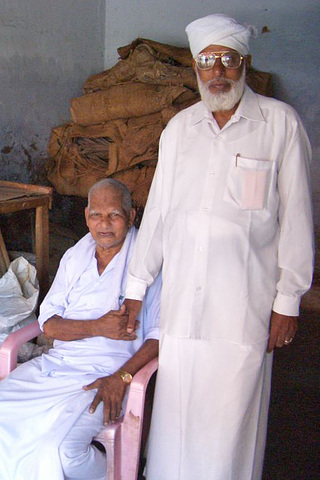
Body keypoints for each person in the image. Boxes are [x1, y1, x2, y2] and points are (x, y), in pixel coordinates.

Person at [123, 13, 314, 480]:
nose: (218, 71)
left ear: (245, 63)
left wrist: (288, 300)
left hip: (242, 306)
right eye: (208, 61)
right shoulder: (179, 130)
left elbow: (297, 219)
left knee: (231, 430)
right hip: (184, 304)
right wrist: (136, 284)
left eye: (228, 59)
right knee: (177, 424)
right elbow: (159, 216)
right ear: (195, 67)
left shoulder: (279, 124)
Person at [0, 178, 162, 480]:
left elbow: (159, 337)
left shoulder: (149, 263)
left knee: (62, 453)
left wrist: (121, 377)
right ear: (86, 216)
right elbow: (49, 325)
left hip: (108, 375)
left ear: (131, 216)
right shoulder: (76, 255)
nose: (105, 224)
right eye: (96, 215)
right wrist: (99, 326)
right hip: (58, 367)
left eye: (114, 214)